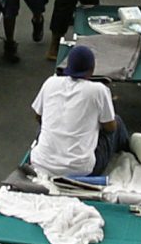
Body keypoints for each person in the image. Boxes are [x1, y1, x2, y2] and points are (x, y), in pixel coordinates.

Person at [30, 45, 121, 179]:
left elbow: (39, 117)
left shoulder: (50, 82)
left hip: (41, 164)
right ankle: (129, 148)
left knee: (44, 127)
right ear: (92, 69)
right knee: (117, 122)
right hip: (82, 170)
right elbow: (110, 127)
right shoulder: (98, 90)